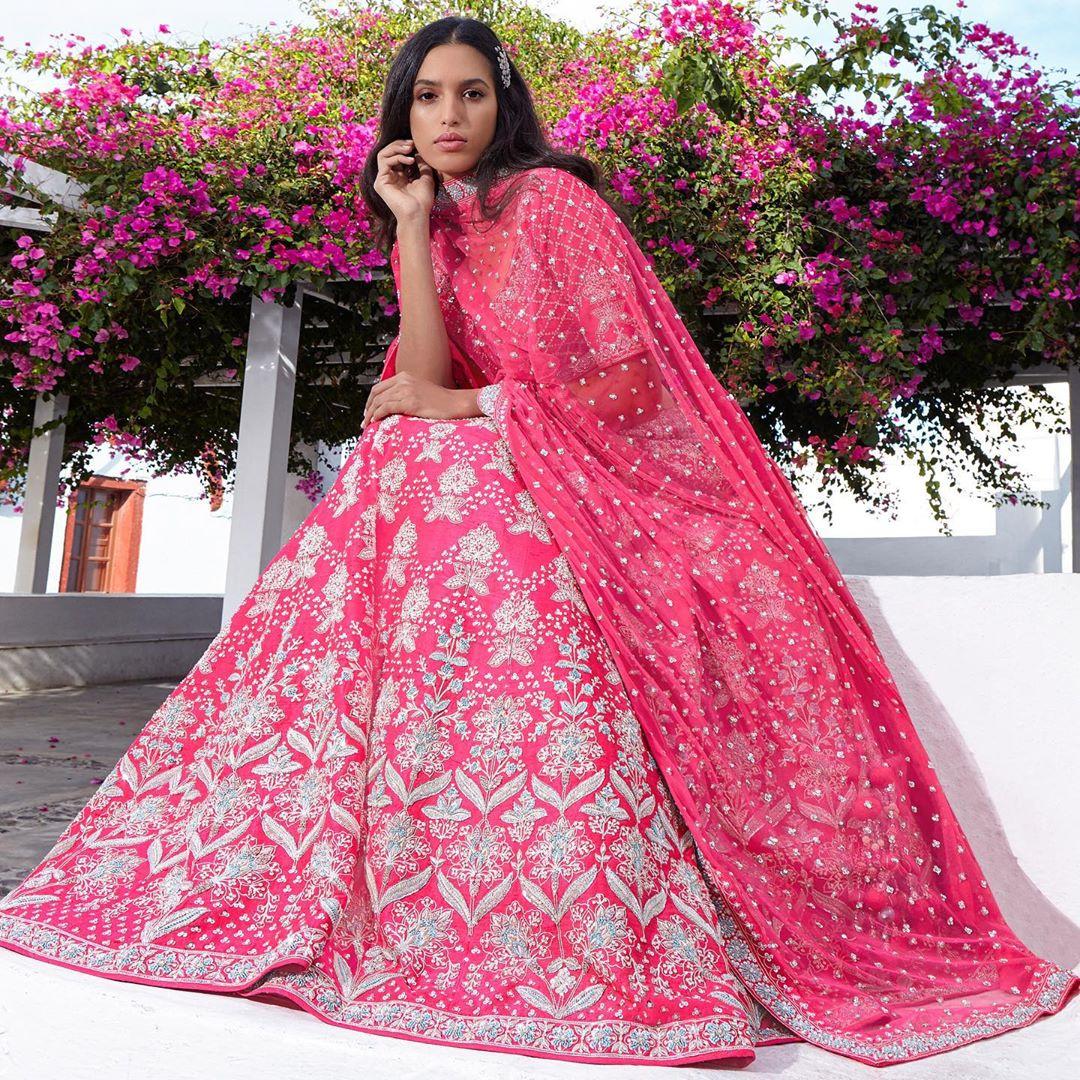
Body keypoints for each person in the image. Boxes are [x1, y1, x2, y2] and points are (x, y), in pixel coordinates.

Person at [0, 14, 1076, 1070]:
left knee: (426, 452)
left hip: (633, 486)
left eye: (471, 92)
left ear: (504, 101)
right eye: (427, 96)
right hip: (525, 471)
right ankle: (323, 828)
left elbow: (620, 385)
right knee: (404, 455)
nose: (449, 114)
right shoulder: (446, 223)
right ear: (401, 116)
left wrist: (466, 413)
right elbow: (423, 378)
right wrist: (411, 229)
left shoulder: (554, 202)